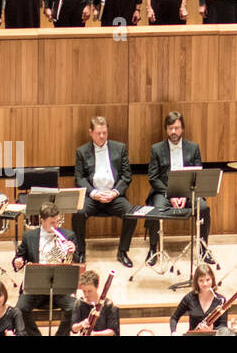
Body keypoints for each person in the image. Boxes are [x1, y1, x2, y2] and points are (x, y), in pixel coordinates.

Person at [145, 110, 214, 266]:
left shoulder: (193, 148)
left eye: (177, 128)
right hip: (164, 193)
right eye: (170, 128)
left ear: (182, 129)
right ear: (166, 129)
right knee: (156, 209)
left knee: (203, 208)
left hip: (188, 193)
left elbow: (197, 175)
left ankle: (204, 249)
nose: (174, 132)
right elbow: (153, 178)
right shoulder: (156, 149)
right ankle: (152, 249)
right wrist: (170, 195)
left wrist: (186, 195)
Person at [72, 116, 138, 266]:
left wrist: (115, 192)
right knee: (78, 213)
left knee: (132, 214)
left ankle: (122, 251)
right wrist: (94, 193)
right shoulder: (82, 151)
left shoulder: (119, 148)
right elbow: (79, 178)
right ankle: (80, 251)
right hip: (92, 196)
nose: (102, 136)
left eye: (104, 133)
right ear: (91, 132)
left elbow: (127, 176)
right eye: (98, 133)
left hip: (113, 196)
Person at [11, 201, 76, 336]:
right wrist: (18, 262)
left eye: (58, 221)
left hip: (60, 286)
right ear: (42, 221)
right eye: (52, 222)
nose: (56, 226)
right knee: (20, 309)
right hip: (35, 285)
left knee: (74, 308)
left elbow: (76, 261)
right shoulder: (29, 236)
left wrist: (74, 250)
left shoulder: (68, 235)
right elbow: (19, 257)